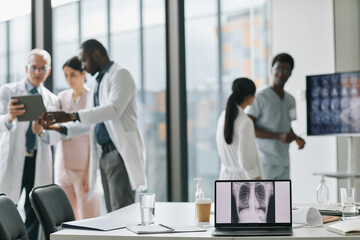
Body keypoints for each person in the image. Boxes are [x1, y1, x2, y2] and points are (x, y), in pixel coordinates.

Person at [41, 39, 147, 212]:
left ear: (96, 55)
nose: (83, 66)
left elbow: (113, 110)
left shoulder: (121, 75)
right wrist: (60, 127)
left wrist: (70, 115)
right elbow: (91, 122)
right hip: (104, 156)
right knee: (113, 213)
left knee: (122, 211)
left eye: (84, 61)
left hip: (118, 153)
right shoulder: (97, 83)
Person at [0, 49, 59, 240]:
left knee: (34, 211)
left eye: (42, 69)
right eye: (34, 67)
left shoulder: (52, 99)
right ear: (27, 68)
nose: (37, 72)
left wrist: (41, 132)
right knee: (7, 208)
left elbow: (56, 137)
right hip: (13, 158)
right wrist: (9, 117)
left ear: (48, 71)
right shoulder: (8, 91)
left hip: (37, 161)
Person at [245, 53, 305, 179]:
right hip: (264, 161)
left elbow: (287, 126)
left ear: (290, 73)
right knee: (265, 198)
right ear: (272, 70)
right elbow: (248, 128)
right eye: (278, 69)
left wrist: (296, 138)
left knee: (283, 198)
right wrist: (277, 136)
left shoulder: (291, 100)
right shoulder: (261, 98)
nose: (281, 73)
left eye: (286, 70)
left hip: (283, 161)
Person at [54, 56, 100, 219]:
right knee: (68, 220)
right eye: (66, 75)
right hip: (62, 167)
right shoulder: (62, 98)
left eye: (73, 74)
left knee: (90, 220)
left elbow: (94, 137)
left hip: (83, 168)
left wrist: (90, 171)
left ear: (83, 73)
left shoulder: (92, 98)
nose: (69, 79)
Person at [216, 77, 262, 180]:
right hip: (242, 179)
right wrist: (257, 178)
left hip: (225, 176)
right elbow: (246, 158)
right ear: (251, 97)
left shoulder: (222, 117)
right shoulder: (245, 122)